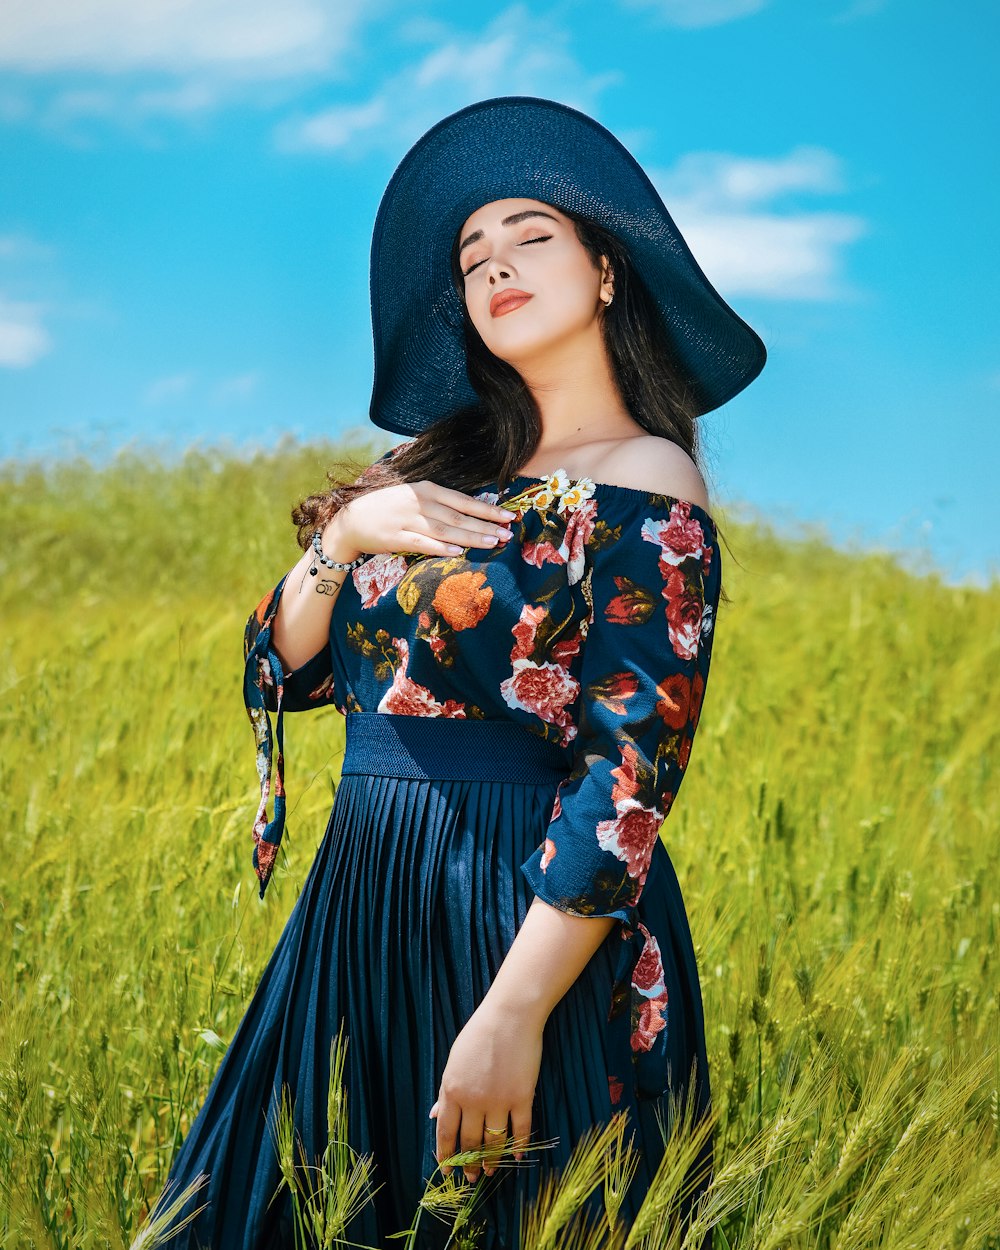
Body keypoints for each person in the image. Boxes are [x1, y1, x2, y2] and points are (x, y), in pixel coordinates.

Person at [141, 95, 765, 1250]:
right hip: (363, 892)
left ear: (607, 271)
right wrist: (346, 538)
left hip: (524, 906)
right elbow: (280, 673)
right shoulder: (429, 471)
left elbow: (630, 775)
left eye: (530, 235)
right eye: (473, 256)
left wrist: (516, 1011)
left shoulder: (648, 477)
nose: (496, 266)